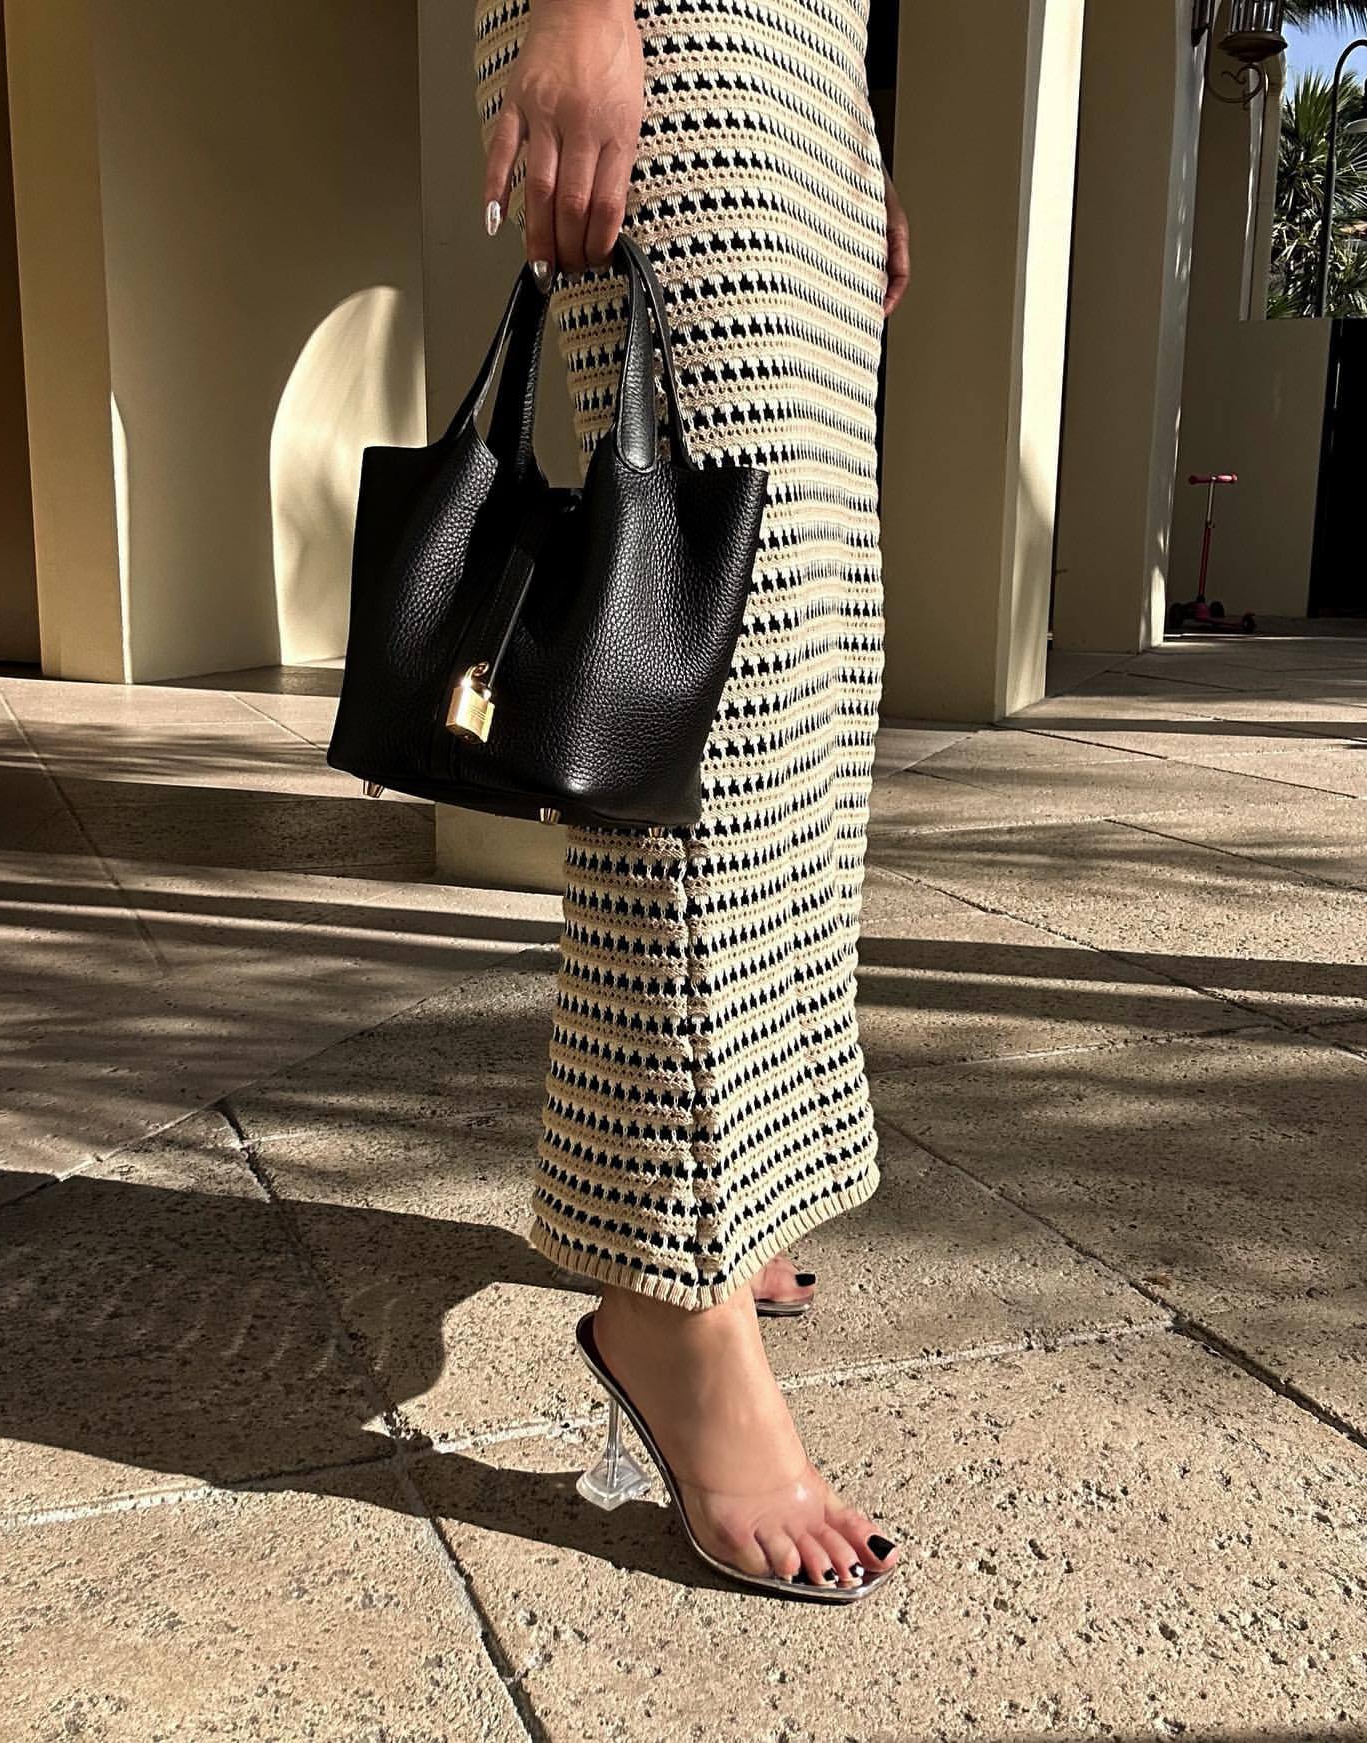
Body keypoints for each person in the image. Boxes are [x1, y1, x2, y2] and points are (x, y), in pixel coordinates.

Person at [471, 0, 911, 1602]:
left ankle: (741, 1185)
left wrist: (857, 125)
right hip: (670, 21)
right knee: (706, 665)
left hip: (807, 53)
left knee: (815, 640)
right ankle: (670, 1292)